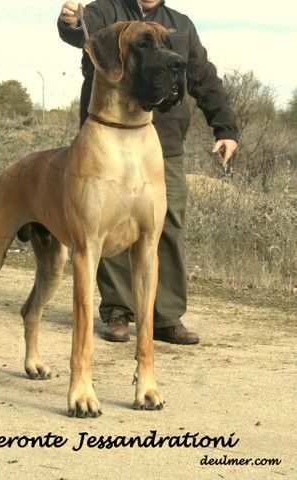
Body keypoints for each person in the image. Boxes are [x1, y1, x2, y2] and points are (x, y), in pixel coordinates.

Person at [57, 0, 238, 344]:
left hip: (161, 144)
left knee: (167, 225)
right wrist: (70, 22)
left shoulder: (180, 24)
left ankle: (166, 316)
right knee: (104, 228)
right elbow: (83, 31)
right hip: (106, 143)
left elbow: (202, 75)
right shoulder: (106, 11)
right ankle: (118, 311)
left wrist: (226, 127)